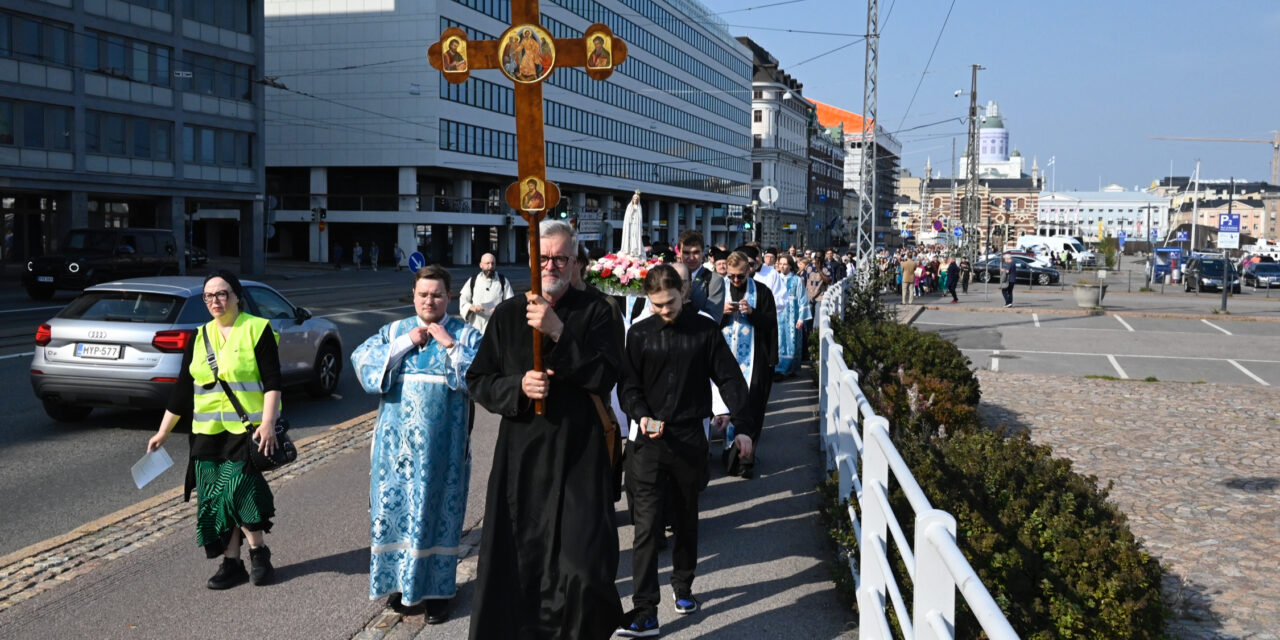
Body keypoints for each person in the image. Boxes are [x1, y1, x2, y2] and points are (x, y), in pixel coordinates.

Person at [465, 220, 623, 639]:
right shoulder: (509, 313)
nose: (551, 266)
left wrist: (558, 331)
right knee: (519, 569)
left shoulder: (598, 312)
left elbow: (606, 376)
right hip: (524, 457)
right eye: (545, 258)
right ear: (533, 260)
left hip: (579, 453)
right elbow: (479, 379)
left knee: (584, 571)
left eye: (561, 258)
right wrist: (517, 386)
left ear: (574, 263)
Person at [615, 265, 756, 638]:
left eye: (671, 302)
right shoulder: (640, 335)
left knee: (685, 518)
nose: (665, 310)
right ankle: (645, 610)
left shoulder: (705, 330)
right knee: (644, 528)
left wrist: (742, 427)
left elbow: (729, 377)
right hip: (647, 443)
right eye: (657, 304)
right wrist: (642, 416)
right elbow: (628, 387)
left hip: (690, 439)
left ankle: (683, 587)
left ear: (683, 291)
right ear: (648, 300)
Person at [351, 265, 482, 623]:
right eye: (423, 294)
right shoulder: (395, 331)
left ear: (449, 297)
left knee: (437, 518)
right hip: (395, 452)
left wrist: (450, 345)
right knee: (394, 517)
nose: (430, 300)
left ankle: (438, 593)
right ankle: (399, 586)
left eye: (437, 294)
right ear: (413, 296)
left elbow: (483, 379)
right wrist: (408, 342)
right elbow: (362, 361)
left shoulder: (465, 334)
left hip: (444, 452)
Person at [146, 270, 281, 590]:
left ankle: (259, 554)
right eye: (208, 296)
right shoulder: (199, 335)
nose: (215, 301)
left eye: (221, 294)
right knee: (216, 497)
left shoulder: (257, 329)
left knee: (240, 490)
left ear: (236, 296)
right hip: (206, 433)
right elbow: (182, 390)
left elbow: (273, 381)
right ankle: (231, 562)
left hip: (245, 430)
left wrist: (268, 422)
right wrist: (163, 432)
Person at [717, 251, 777, 479]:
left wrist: (753, 313)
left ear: (748, 270)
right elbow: (705, 320)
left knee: (750, 408)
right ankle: (727, 452)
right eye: (731, 276)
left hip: (754, 361)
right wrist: (720, 313)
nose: (735, 281)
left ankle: (744, 460)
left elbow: (771, 322)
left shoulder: (761, 292)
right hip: (723, 360)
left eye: (740, 276)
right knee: (726, 407)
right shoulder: (718, 289)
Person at [774, 254, 811, 376]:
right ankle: (778, 369)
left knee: (792, 342)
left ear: (790, 266)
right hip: (778, 316)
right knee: (779, 341)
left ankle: (790, 369)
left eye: (785, 264)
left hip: (792, 317)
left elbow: (802, 299)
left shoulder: (797, 280)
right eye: (781, 264)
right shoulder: (775, 279)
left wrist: (801, 318)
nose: (782, 266)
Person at [458, 252, 514, 333]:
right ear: (481, 265)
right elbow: (463, 300)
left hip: (496, 327)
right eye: (487, 263)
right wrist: (471, 308)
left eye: (493, 263)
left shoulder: (503, 281)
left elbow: (511, 303)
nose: (490, 266)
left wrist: (499, 309)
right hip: (476, 327)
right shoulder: (473, 281)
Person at [678, 230, 725, 323]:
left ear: (703, 252)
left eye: (696, 252)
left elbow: (713, 320)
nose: (691, 258)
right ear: (679, 253)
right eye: (686, 253)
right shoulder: (670, 277)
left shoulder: (714, 281)